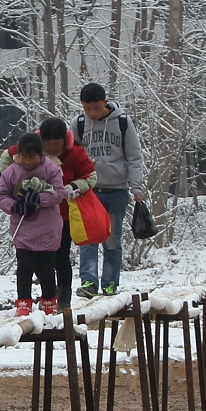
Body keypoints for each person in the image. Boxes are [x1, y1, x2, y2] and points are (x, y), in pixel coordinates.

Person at [71, 83, 146, 298]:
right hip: (89, 190)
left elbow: (134, 156)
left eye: (96, 107)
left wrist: (136, 186)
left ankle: (110, 283)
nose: (92, 113)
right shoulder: (79, 123)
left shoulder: (122, 123)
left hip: (116, 190)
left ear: (105, 102)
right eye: (87, 109)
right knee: (88, 238)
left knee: (112, 239)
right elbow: (72, 154)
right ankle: (89, 283)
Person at [0, 132, 67, 316]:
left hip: (47, 229)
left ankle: (49, 304)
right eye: (23, 156)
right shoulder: (11, 172)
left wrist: (40, 198)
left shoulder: (51, 169)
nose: (28, 161)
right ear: (18, 155)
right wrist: (16, 206)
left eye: (32, 156)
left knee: (47, 270)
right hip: (23, 229)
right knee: (24, 267)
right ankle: (23, 304)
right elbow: (0, 195)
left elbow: (59, 193)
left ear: (40, 154)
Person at [33, 117, 95, 307]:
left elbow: (91, 176)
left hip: (64, 214)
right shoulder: (32, 150)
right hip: (38, 215)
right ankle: (48, 296)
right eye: (48, 144)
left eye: (56, 144)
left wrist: (75, 186)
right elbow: (10, 160)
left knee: (61, 256)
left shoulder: (75, 153)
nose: (52, 148)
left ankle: (64, 299)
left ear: (64, 141)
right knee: (40, 258)